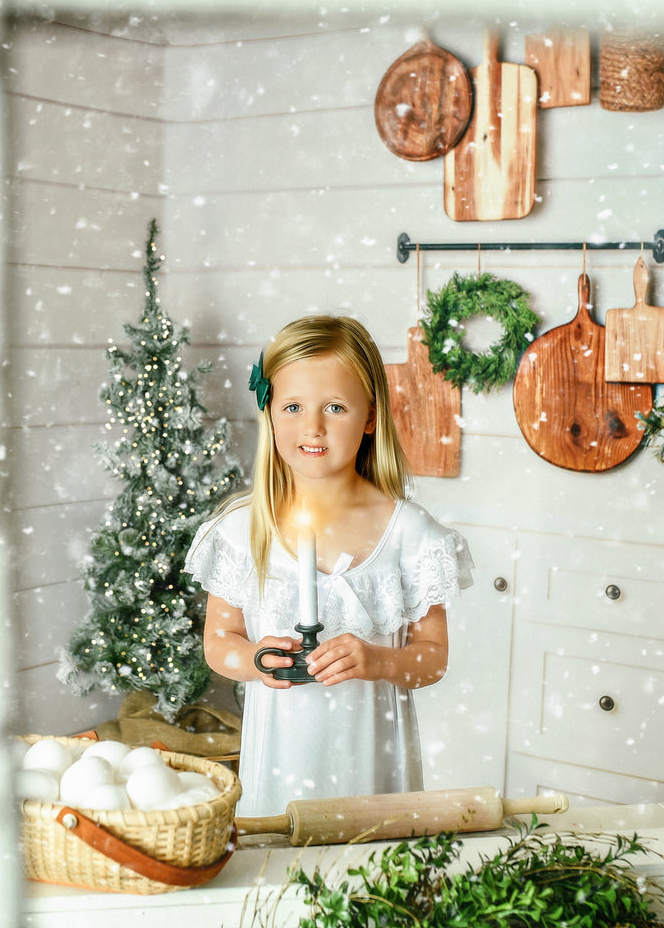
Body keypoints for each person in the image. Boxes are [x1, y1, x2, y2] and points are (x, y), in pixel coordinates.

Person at [184, 315, 473, 818]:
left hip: (373, 768)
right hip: (281, 767)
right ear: (270, 412)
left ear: (370, 417)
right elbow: (218, 642)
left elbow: (433, 659)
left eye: (335, 407)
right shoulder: (241, 529)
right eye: (293, 407)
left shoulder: (410, 535)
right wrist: (253, 658)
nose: (312, 427)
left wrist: (381, 661)